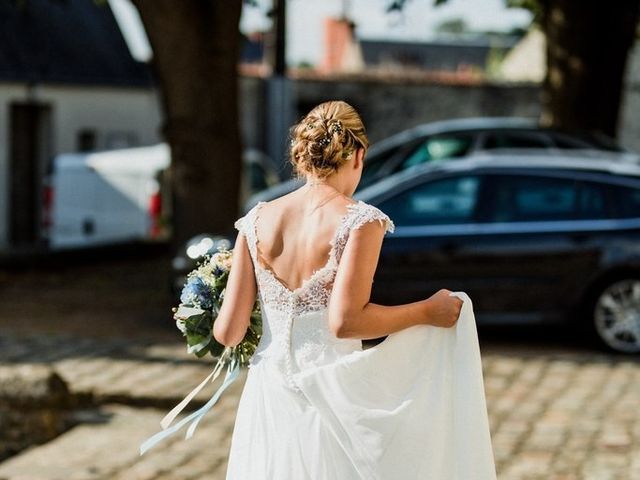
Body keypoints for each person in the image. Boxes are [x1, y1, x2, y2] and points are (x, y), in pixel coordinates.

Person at [216, 100, 496, 479]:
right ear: (358, 155)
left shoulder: (255, 220)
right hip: (328, 394)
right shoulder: (360, 221)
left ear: (303, 157)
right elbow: (345, 322)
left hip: (267, 395)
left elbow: (229, 333)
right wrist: (427, 312)